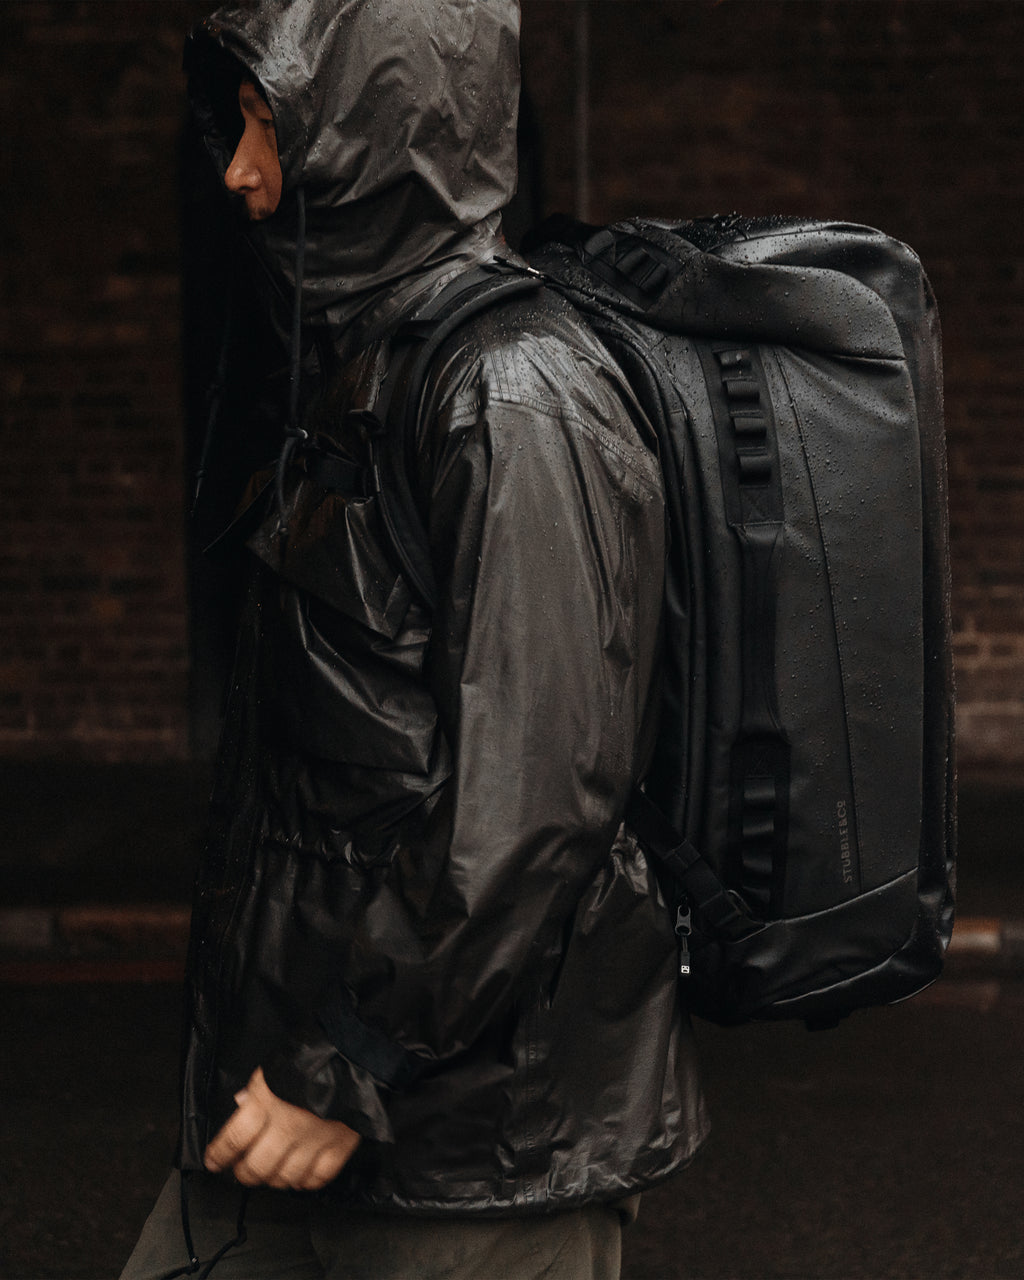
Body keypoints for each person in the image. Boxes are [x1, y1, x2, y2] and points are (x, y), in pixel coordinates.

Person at [122, 1, 707, 1276]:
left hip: (475, 1155)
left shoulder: (515, 391)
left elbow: (537, 802)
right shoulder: (365, 364)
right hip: (290, 1105)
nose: (237, 170)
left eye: (268, 127)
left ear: (374, 138)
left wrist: (349, 1061)